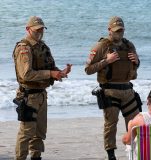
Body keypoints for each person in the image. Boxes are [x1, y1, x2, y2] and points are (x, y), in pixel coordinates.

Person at [13, 16, 72, 160]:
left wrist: (60, 73)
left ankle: (36, 157)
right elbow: (26, 74)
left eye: (41, 30)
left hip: (41, 95)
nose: (40, 32)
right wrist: (51, 73)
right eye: (36, 30)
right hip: (28, 96)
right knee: (26, 132)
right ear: (28, 29)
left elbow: (49, 68)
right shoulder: (24, 48)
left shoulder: (43, 47)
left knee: (39, 133)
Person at [85, 16, 141, 160]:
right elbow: (88, 69)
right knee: (111, 125)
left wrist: (137, 61)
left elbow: (135, 65)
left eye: (121, 30)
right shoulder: (101, 46)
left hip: (128, 90)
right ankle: (111, 155)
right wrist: (106, 61)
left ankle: (135, 152)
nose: (119, 33)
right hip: (110, 91)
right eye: (116, 31)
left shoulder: (129, 46)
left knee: (135, 125)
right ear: (109, 30)